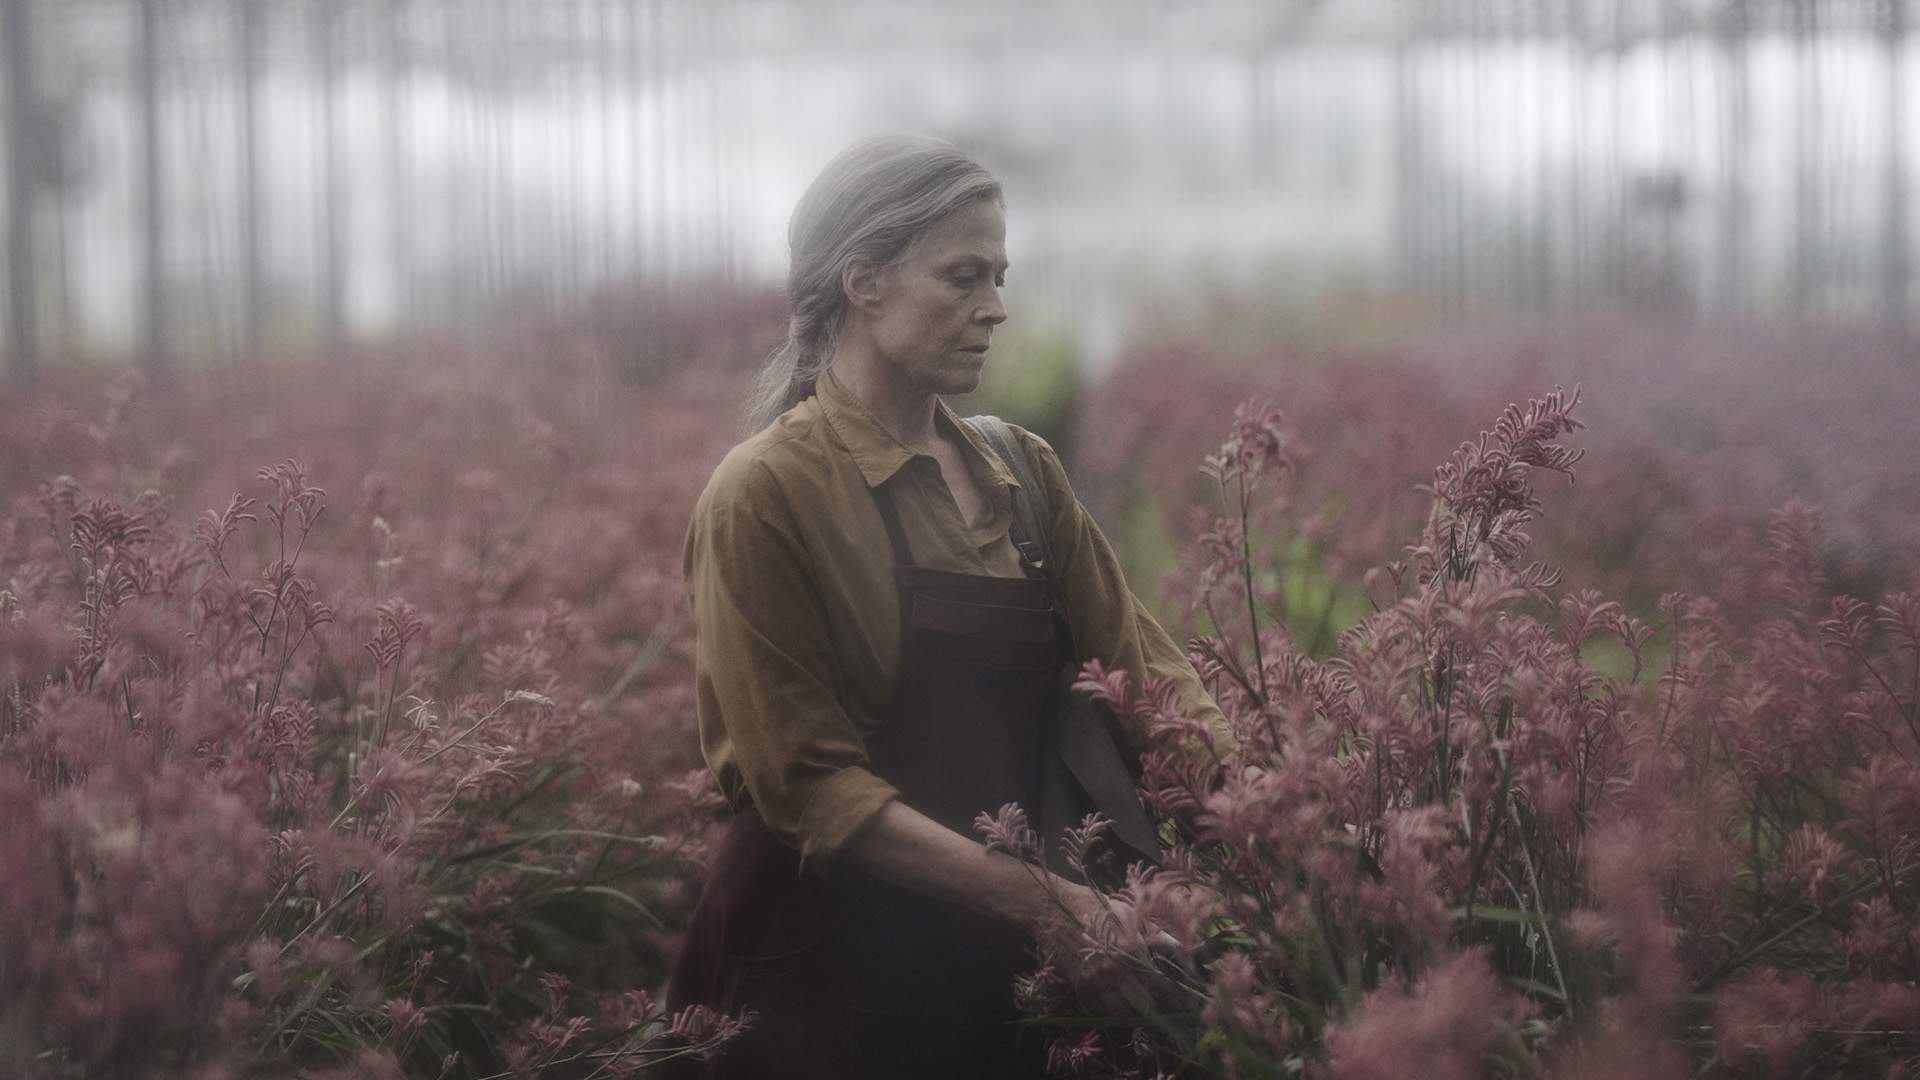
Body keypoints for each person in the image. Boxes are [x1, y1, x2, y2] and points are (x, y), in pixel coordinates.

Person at [665, 134, 1236, 1079]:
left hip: (995, 967)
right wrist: (1054, 906)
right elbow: (810, 787)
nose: (996, 309)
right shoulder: (766, 494)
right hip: (819, 976)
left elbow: (1151, 680)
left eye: (999, 276)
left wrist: (1275, 832)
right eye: (963, 277)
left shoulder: (1020, 471)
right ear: (864, 283)